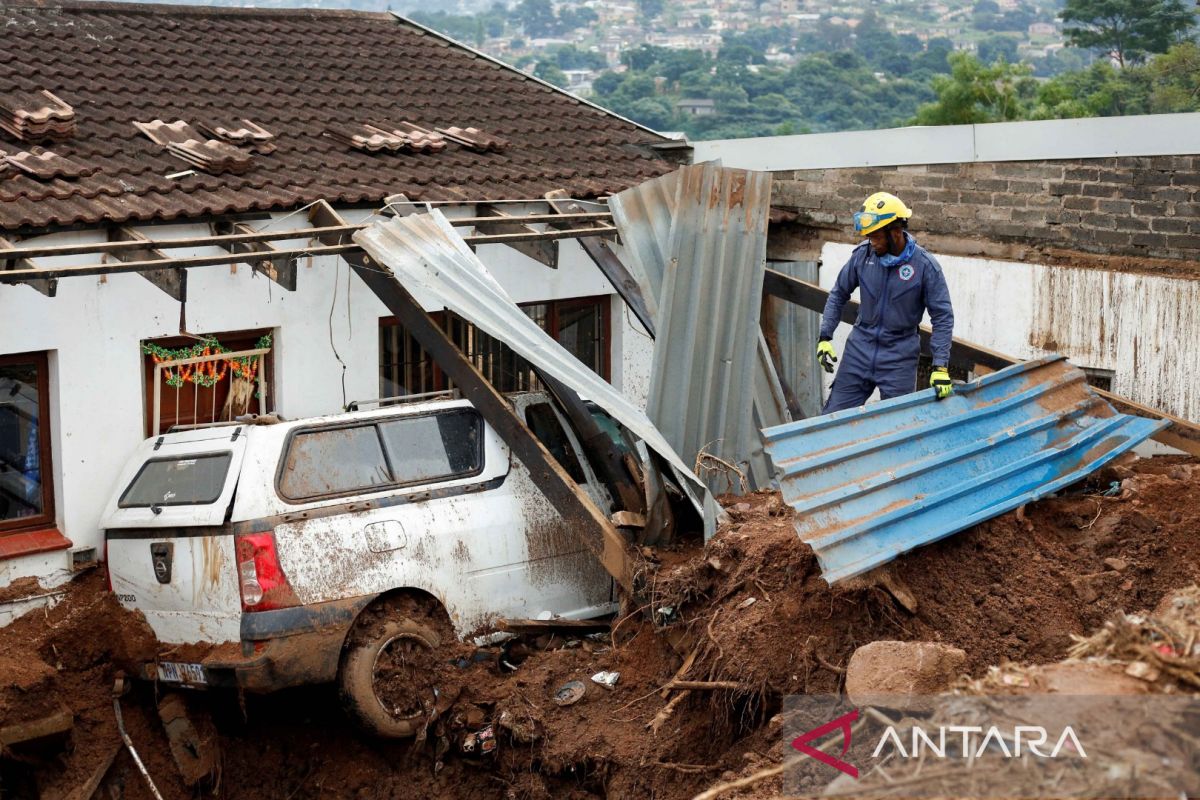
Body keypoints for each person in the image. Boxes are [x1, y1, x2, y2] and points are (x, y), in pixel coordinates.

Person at [816, 192, 955, 414]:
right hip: (859, 350)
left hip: (899, 357)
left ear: (896, 232)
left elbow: (942, 316)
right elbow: (838, 293)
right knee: (832, 420)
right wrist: (825, 336)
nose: (872, 243)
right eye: (869, 237)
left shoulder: (925, 266)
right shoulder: (863, 256)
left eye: (877, 237)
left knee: (896, 425)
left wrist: (940, 366)